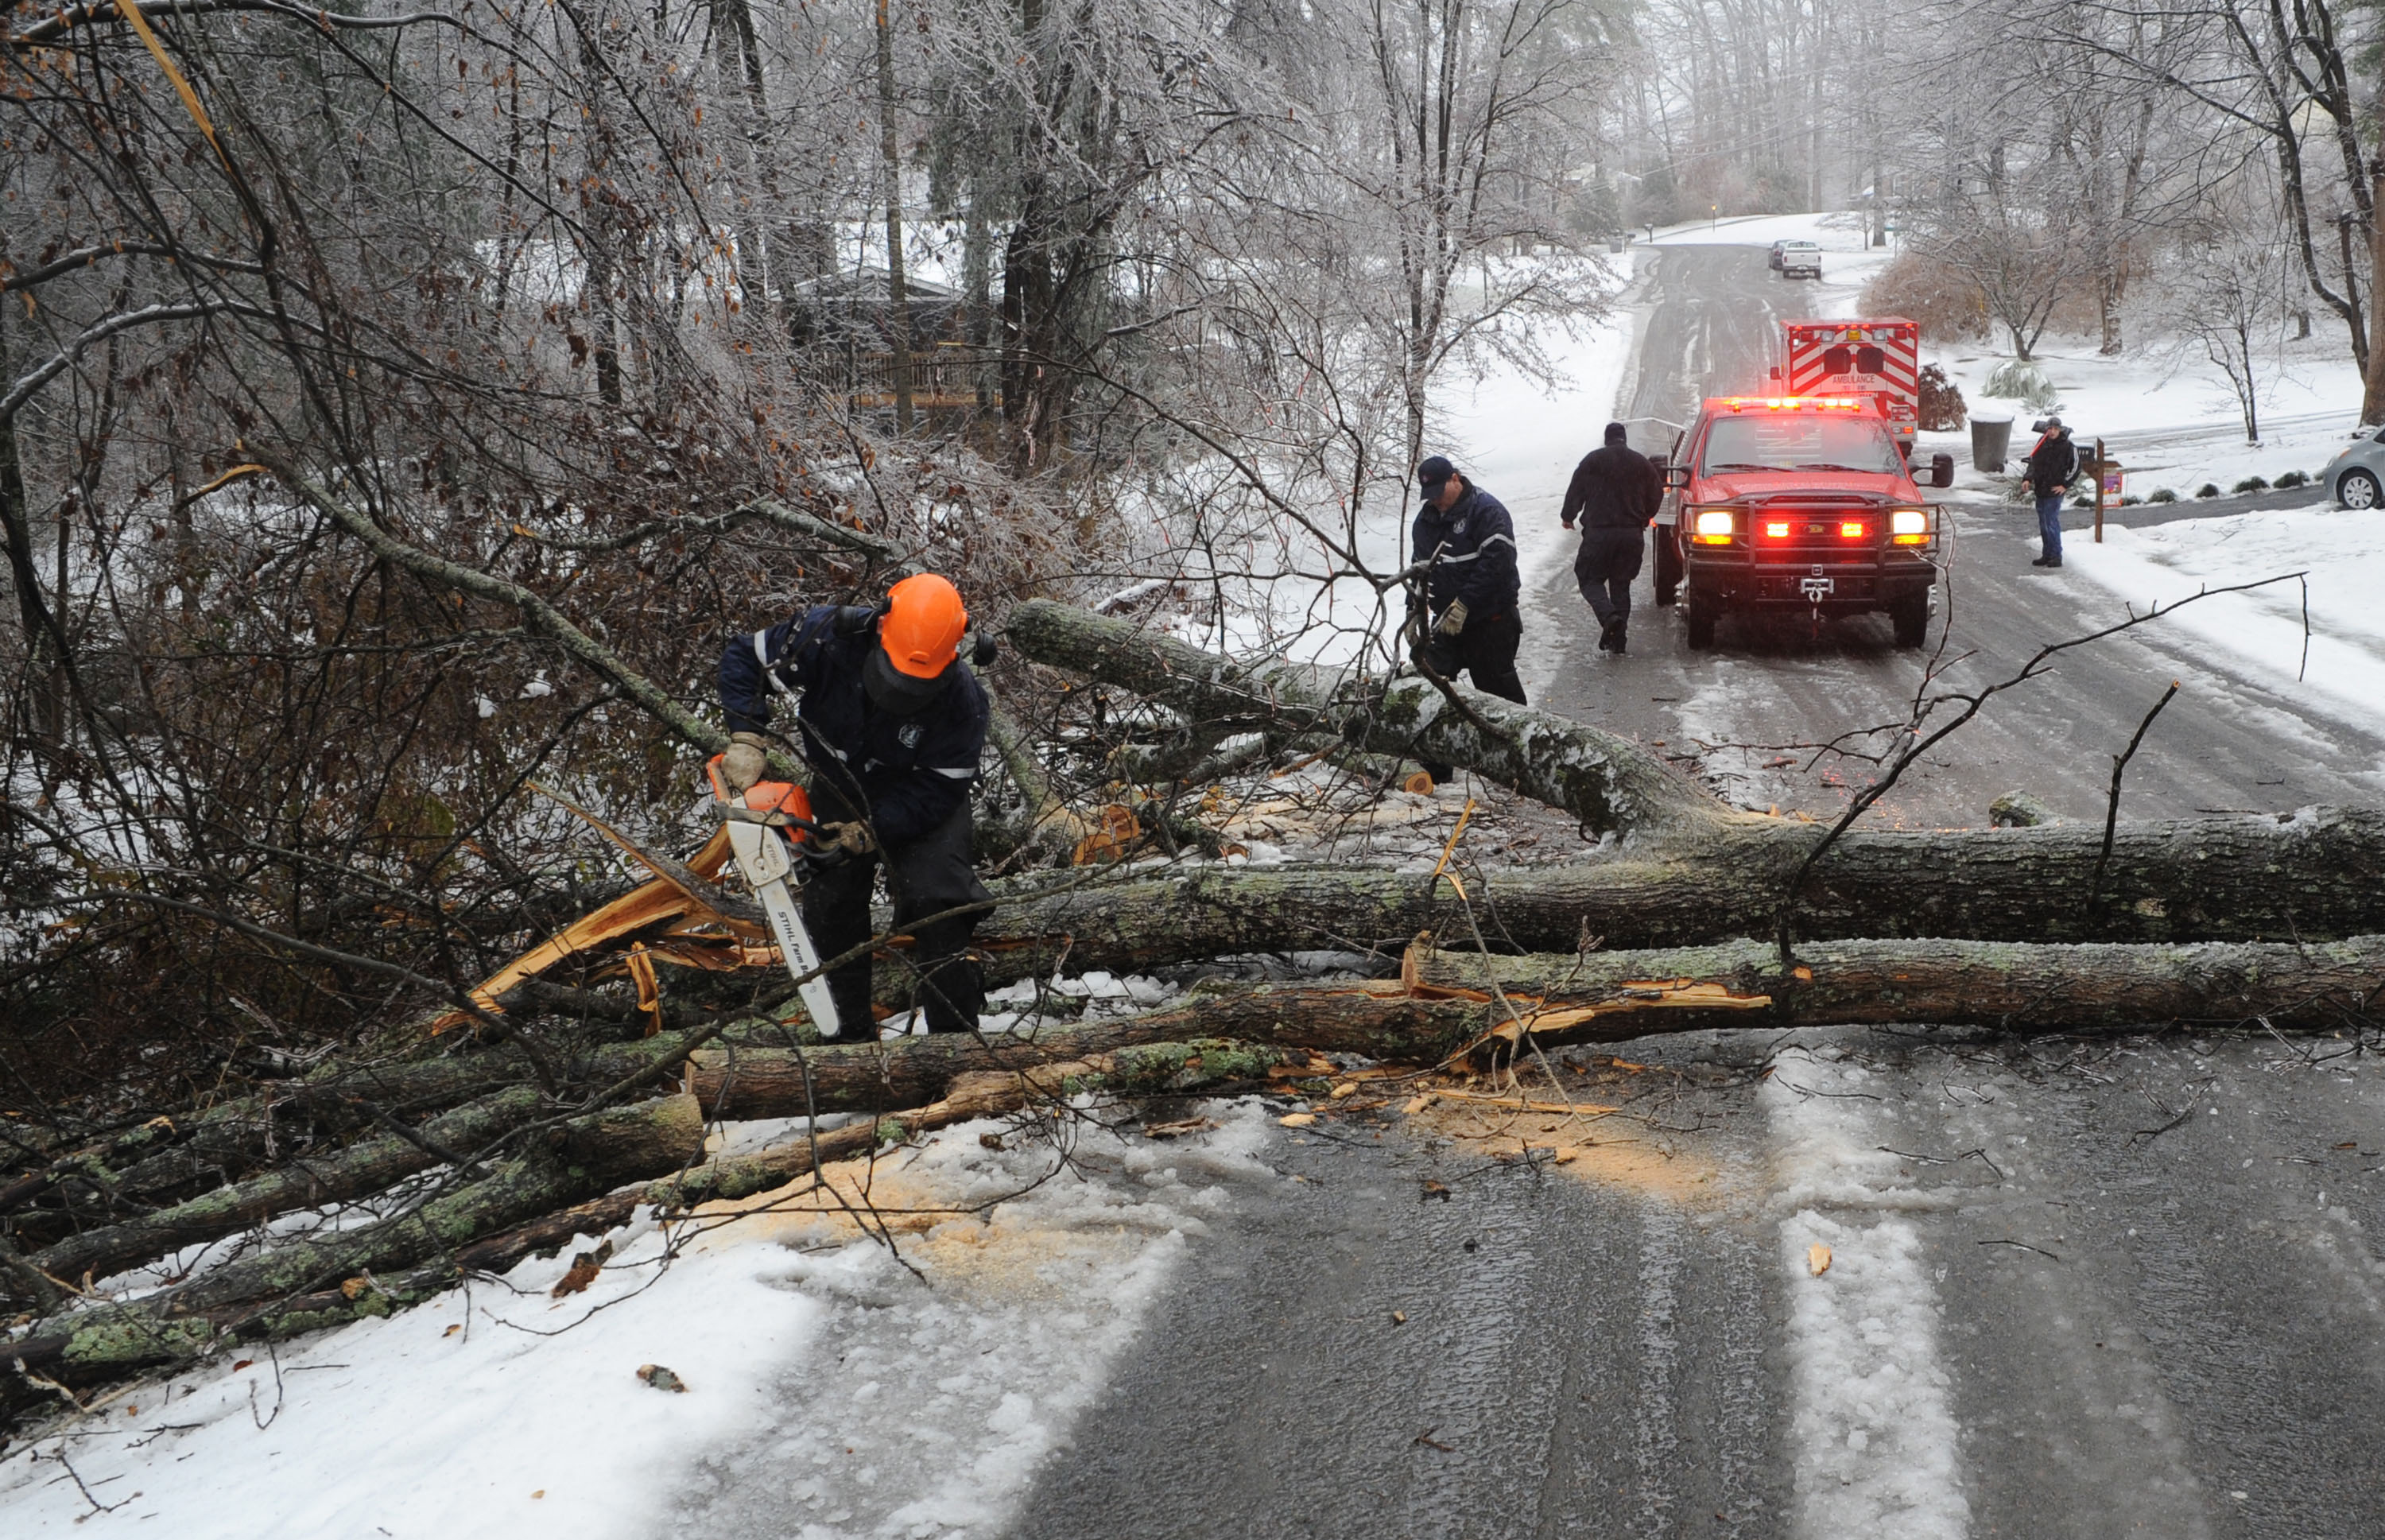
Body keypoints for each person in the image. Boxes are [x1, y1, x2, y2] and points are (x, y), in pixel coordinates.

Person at [718, 572, 991, 1034]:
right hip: (841, 783)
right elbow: (747, 655)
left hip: (920, 799)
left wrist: (872, 830)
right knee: (832, 904)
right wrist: (747, 734)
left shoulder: (963, 700)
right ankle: (849, 1039)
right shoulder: (826, 638)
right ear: (881, 626)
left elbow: (942, 788)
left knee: (939, 900)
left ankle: (955, 1040)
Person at [1559, 421, 1664, 654]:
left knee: (1589, 579)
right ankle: (1619, 639)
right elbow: (1657, 493)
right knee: (1621, 584)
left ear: (1607, 439)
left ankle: (1609, 618)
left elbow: (1576, 489)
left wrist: (1568, 516)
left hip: (1599, 534)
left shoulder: (1592, 461)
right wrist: (1645, 516)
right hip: (1630, 535)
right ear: (1624, 439)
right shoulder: (1641, 463)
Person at [2022, 416, 2079, 568]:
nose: (2052, 432)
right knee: (2044, 523)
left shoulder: (2068, 446)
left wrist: (2065, 485)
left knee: (2051, 522)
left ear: (2060, 430)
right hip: (2041, 488)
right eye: (2050, 429)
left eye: (2055, 429)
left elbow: (2075, 468)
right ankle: (2047, 554)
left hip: (2055, 490)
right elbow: (2033, 462)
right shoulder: (2042, 443)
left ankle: (2056, 555)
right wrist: (2027, 479)